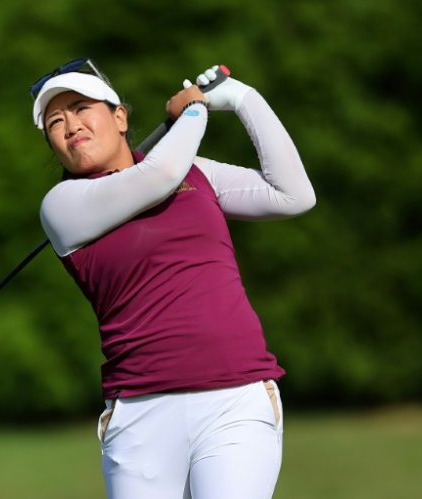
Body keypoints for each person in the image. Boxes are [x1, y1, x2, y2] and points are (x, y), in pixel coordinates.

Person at [30, 58, 315, 499]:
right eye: (55, 121)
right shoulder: (62, 206)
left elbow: (293, 195)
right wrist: (196, 108)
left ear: (119, 117)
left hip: (235, 398)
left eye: (82, 108)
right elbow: (158, 176)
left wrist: (241, 98)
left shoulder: (196, 171)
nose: (71, 125)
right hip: (140, 416)